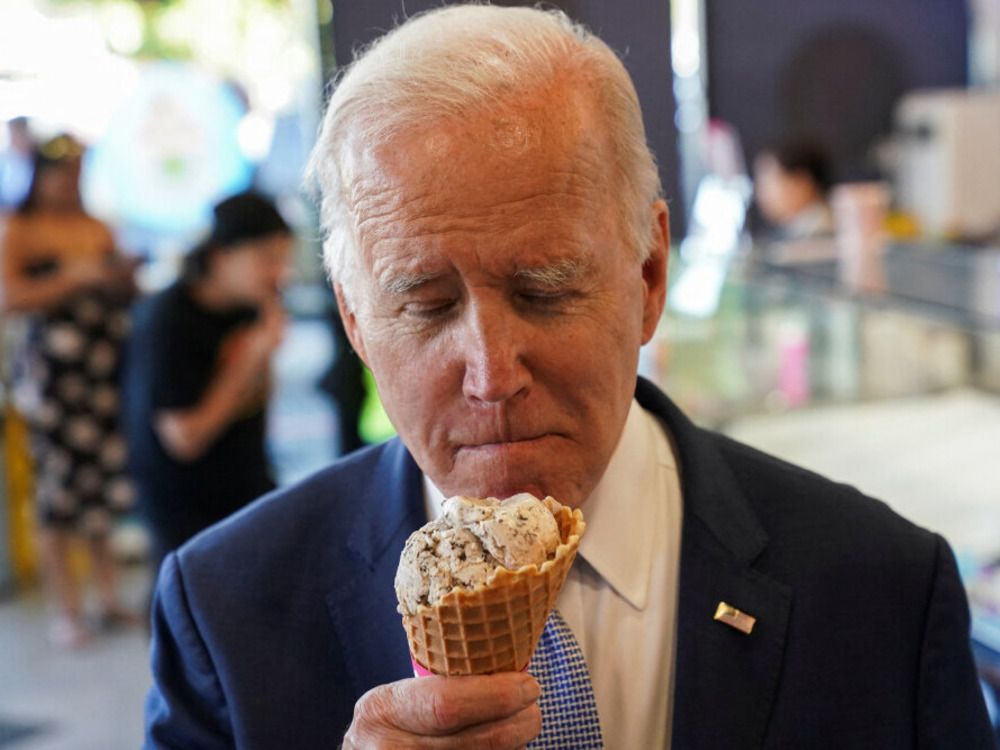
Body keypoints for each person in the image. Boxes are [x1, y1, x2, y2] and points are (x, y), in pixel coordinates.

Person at [144, 6, 995, 748]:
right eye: (425, 304)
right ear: (357, 321)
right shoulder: (225, 613)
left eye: (545, 290)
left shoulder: (881, 592)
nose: (491, 375)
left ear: (649, 273)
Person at [0, 135, 138, 647]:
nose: (69, 182)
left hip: (100, 368)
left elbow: (122, 283)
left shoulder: (95, 224)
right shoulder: (20, 227)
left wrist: (116, 275)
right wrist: (71, 278)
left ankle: (106, 596)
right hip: (53, 376)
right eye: (61, 172)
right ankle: (67, 606)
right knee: (57, 492)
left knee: (102, 486)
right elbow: (9, 296)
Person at [122, 190, 292, 578]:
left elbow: (259, 400)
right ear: (220, 256)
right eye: (266, 259)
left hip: (244, 484)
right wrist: (250, 358)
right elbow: (184, 438)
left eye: (283, 259)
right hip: (183, 506)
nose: (279, 273)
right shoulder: (167, 321)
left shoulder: (254, 304)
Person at [753, 139, 835, 242]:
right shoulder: (793, 234)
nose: (760, 193)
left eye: (767, 183)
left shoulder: (823, 236)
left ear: (801, 183)